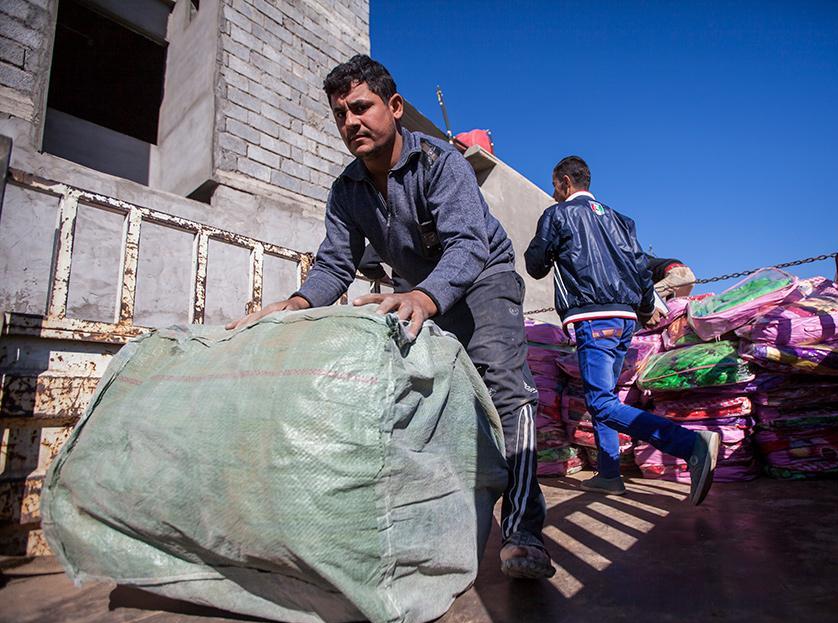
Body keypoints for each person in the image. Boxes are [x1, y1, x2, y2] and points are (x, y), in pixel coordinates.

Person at [227, 55, 554, 579]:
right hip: (417, 291)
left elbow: (468, 245)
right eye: (341, 114)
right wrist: (298, 304)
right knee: (417, 395)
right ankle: (430, 521)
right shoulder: (346, 191)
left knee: (504, 388)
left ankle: (523, 531)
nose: (351, 122)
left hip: (484, 279)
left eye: (361, 107)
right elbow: (335, 264)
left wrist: (425, 297)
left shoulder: (440, 163)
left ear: (394, 106)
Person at [524, 156, 719, 503]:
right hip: (625, 319)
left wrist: (547, 244)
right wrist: (644, 310)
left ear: (566, 183)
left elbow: (536, 265)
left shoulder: (558, 215)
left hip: (592, 317)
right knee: (606, 397)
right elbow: (640, 270)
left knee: (600, 403)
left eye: (555, 186)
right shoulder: (620, 220)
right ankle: (609, 474)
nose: (554, 194)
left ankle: (691, 445)